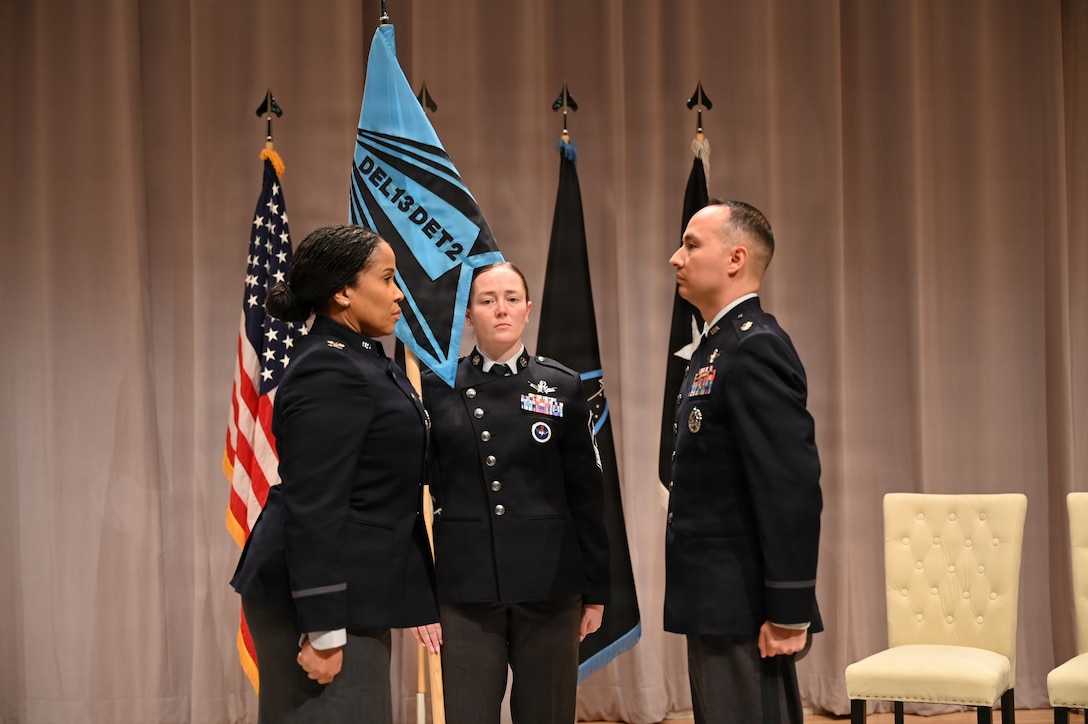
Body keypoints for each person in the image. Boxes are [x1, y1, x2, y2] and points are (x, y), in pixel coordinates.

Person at [230, 224, 442, 723]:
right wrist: (323, 629)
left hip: (358, 588)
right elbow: (314, 503)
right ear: (343, 292)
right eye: (388, 279)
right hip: (321, 598)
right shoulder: (329, 369)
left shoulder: (364, 360)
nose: (399, 294)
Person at [421, 261, 611, 724]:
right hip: (467, 590)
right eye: (486, 301)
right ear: (468, 315)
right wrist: (418, 597)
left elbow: (587, 496)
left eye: (511, 299)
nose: (500, 309)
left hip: (549, 586)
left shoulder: (562, 385)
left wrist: (597, 590)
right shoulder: (434, 387)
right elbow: (416, 494)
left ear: (528, 309)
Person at [664, 201, 823, 724]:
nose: (675, 258)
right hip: (713, 596)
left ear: (735, 258)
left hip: (743, 599)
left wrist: (789, 608)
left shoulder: (755, 348)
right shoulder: (717, 348)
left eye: (690, 244)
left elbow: (789, 487)